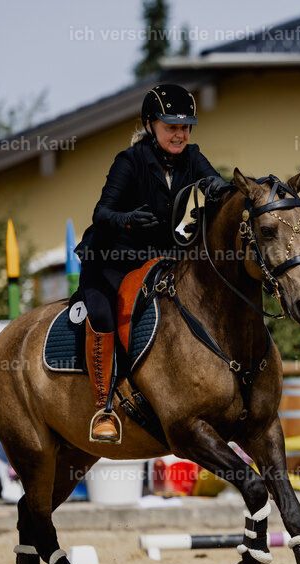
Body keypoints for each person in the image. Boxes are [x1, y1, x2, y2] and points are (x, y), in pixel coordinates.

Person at [74, 83, 230, 443]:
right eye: (171, 126)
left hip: (159, 261)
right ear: (150, 125)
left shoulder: (193, 157)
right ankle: (104, 407)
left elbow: (215, 184)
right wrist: (128, 219)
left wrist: (231, 192)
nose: (180, 134)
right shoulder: (128, 162)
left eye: (185, 127)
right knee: (102, 313)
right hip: (112, 260)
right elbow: (102, 213)